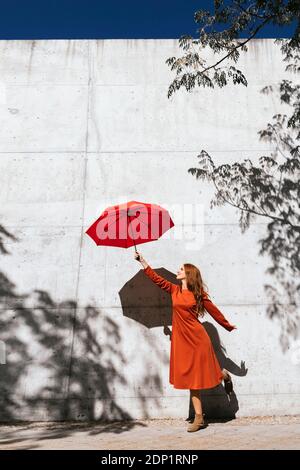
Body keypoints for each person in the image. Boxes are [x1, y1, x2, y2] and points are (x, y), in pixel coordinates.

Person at [134, 251, 237, 432]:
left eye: (181, 269)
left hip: (198, 338)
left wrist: (227, 325)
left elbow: (214, 311)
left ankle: (200, 415)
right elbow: (156, 279)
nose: (178, 270)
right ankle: (222, 377)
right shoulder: (174, 289)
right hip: (182, 339)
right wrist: (143, 261)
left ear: (189, 274)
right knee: (191, 377)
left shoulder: (199, 294)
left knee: (197, 378)